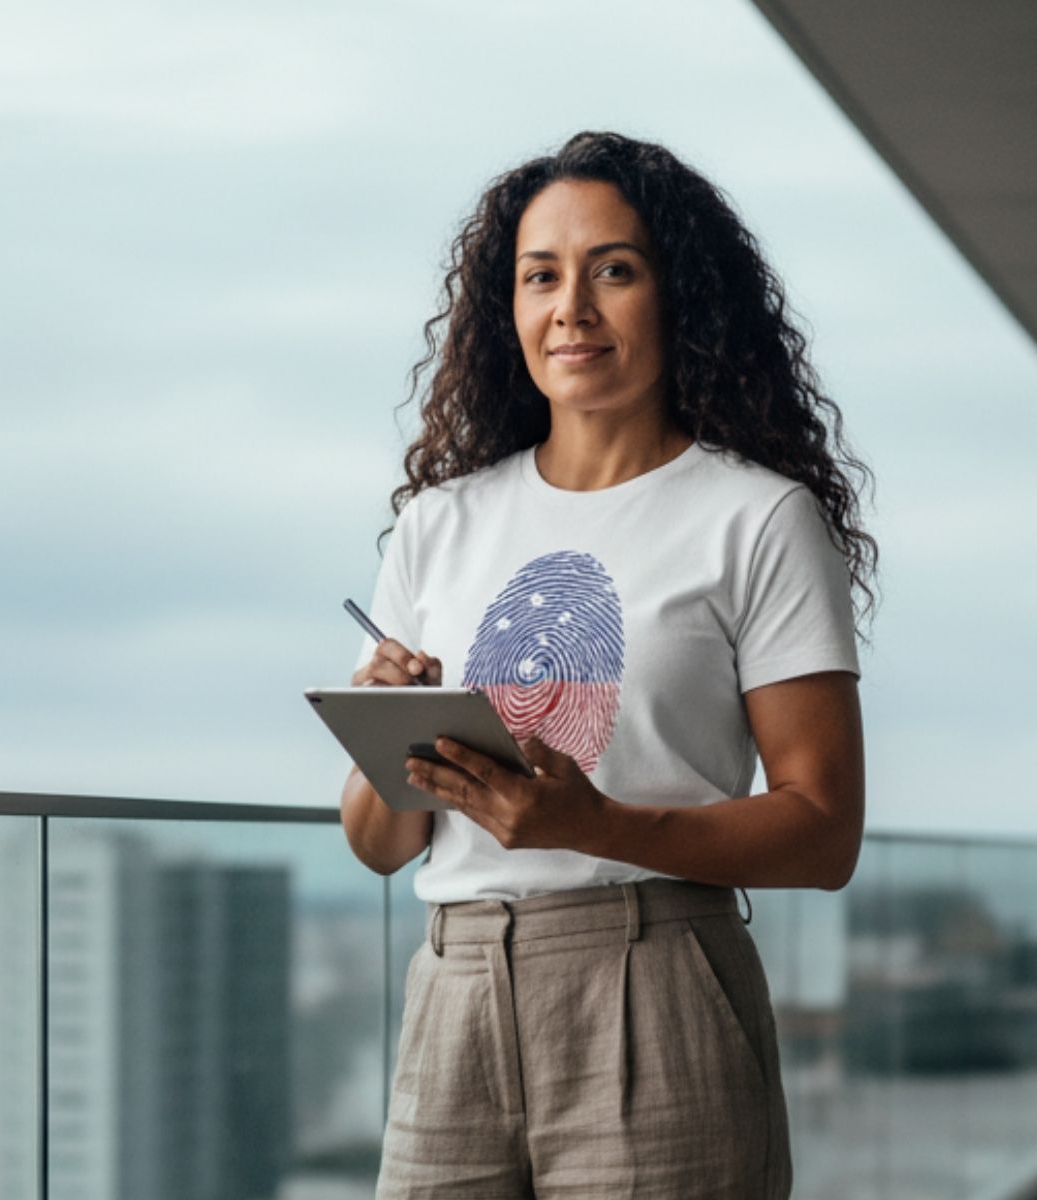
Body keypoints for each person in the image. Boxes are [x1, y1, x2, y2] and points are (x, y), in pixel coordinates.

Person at [340, 130, 878, 1199]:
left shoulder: (757, 518)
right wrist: (386, 735)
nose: (571, 309)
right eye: (541, 276)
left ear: (682, 299)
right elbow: (376, 845)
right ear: (509, 309)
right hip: (453, 991)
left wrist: (598, 827)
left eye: (614, 271)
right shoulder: (438, 524)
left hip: (658, 981)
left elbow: (825, 830)